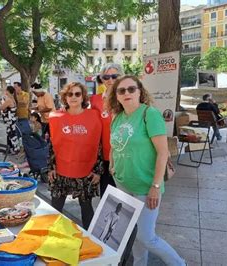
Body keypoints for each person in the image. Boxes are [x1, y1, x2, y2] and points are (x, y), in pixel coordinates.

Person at [108, 75, 185, 266]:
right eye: (121, 90)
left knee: (147, 236)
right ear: (116, 96)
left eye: (131, 89)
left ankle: (179, 263)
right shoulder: (117, 117)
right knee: (135, 232)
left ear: (140, 92)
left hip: (146, 186)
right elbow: (115, 144)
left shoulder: (149, 114)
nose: (126, 93)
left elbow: (162, 152)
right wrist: (112, 163)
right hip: (123, 184)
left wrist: (156, 186)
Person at [48, 82, 102, 230]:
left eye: (77, 94)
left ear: (83, 97)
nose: (73, 97)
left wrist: (98, 170)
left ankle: (90, 241)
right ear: (65, 97)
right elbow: (52, 144)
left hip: (85, 172)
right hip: (61, 172)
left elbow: (99, 144)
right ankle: (53, 241)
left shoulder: (94, 116)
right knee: (55, 210)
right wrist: (50, 167)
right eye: (69, 94)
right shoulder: (55, 117)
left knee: (86, 209)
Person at [90, 63, 122, 197]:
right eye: (106, 77)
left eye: (115, 76)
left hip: (124, 155)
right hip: (105, 156)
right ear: (102, 79)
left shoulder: (127, 98)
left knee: (125, 195)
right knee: (107, 195)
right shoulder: (95, 100)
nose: (111, 80)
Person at [0, 86, 20, 154]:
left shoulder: (9, 100)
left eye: (6, 90)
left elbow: (2, 107)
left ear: (8, 91)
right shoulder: (13, 99)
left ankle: (15, 149)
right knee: (10, 134)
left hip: (10, 120)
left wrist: (2, 101)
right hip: (12, 119)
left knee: (12, 134)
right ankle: (10, 149)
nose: (5, 92)